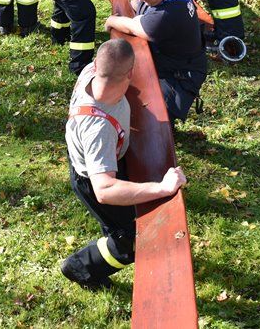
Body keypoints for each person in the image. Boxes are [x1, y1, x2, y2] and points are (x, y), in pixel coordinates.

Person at [61, 38, 188, 290]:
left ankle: (111, 233)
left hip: (103, 159)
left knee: (125, 223)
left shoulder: (90, 72)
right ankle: (80, 267)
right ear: (130, 73)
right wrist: (162, 188)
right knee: (130, 241)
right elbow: (105, 190)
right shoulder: (99, 129)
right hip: (94, 179)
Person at [103, 0, 208, 122]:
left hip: (181, 73)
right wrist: (139, 2)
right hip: (168, 59)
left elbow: (132, 27)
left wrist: (112, 21)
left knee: (156, 117)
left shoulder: (167, 14)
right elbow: (136, 4)